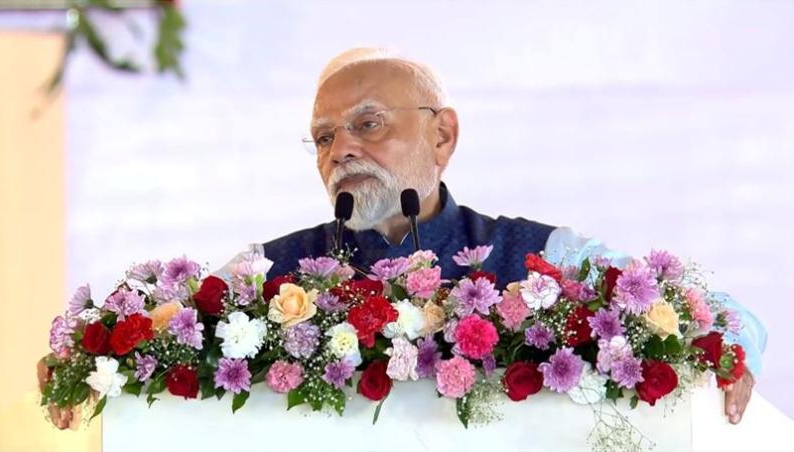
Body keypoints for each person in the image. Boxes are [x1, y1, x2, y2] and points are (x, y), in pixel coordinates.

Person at [39, 47, 765, 429]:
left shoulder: (541, 256)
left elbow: (718, 315)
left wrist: (729, 351)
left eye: (368, 123)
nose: (341, 150)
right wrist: (78, 359)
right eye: (324, 137)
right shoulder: (267, 272)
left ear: (442, 135)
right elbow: (151, 330)